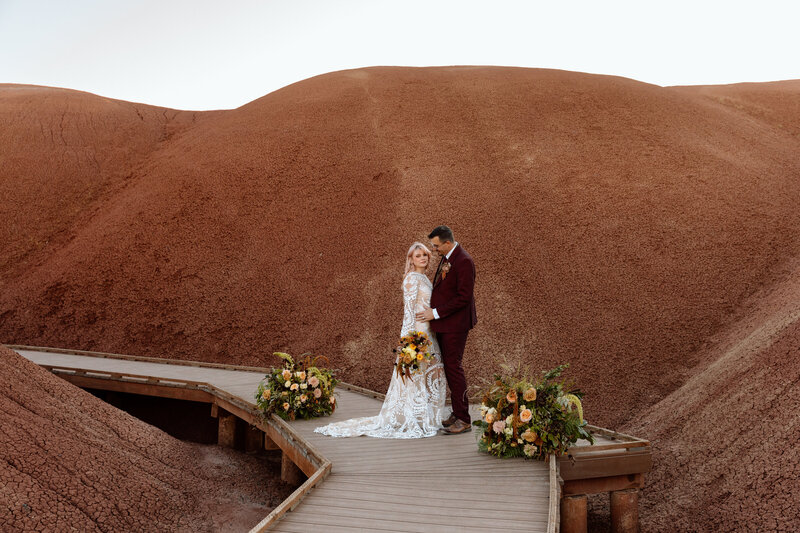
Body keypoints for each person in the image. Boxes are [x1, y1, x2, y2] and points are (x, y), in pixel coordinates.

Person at [314, 242, 447, 438]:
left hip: (430, 332)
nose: (422, 258)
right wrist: (409, 341)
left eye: (425, 255)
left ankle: (427, 417)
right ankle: (416, 418)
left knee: (432, 374)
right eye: (418, 255)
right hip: (418, 334)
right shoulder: (411, 279)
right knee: (415, 375)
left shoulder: (425, 278)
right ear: (411, 259)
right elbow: (408, 312)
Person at [415, 225, 477, 435]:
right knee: (450, 368)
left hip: (455, 325)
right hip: (445, 324)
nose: (434, 250)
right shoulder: (448, 258)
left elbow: (463, 297)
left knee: (454, 367)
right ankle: (457, 412)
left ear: (447, 243)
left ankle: (464, 418)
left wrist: (436, 313)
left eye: (436, 246)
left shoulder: (464, 261)